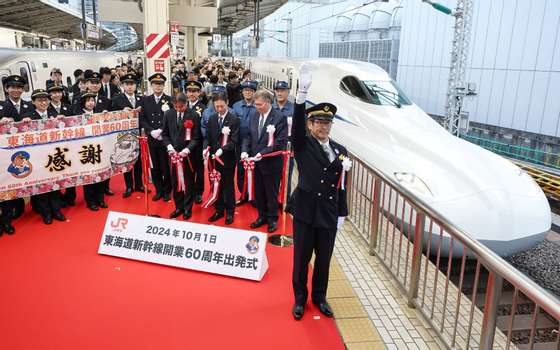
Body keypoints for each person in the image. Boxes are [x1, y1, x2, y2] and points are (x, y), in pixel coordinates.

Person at [287, 65, 349, 320]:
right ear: (310, 124)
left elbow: (342, 184)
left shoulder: (341, 149)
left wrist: (342, 212)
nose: (324, 127)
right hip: (304, 212)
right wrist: (301, 95)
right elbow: (296, 131)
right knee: (301, 260)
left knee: (324, 260)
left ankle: (320, 297)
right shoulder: (303, 144)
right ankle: (300, 299)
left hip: (328, 213)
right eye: (319, 122)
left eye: (327, 122)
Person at [241, 89, 287, 233]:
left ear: (268, 103)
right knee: (258, 191)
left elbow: (279, 143)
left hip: (271, 163)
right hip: (256, 163)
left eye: (259, 104)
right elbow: (248, 136)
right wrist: (244, 151)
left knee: (271, 192)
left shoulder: (279, 118)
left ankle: (273, 218)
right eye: (255, 104)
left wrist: (262, 153)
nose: (256, 107)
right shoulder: (255, 115)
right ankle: (262, 216)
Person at [23, 89, 67, 224]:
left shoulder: (55, 114)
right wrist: (23, 124)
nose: (43, 102)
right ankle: (46, 213)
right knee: (41, 187)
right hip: (37, 158)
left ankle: (56, 210)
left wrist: (62, 121)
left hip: (53, 156)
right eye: (39, 100)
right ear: (33, 102)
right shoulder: (27, 116)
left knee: (55, 184)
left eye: (45, 99)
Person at [161, 93, 201, 220]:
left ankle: (188, 208)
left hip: (188, 156)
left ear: (186, 104)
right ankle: (178, 207)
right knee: (175, 181)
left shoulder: (193, 115)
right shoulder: (168, 114)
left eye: (181, 107)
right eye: (176, 107)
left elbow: (196, 137)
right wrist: (169, 147)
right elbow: (165, 134)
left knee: (188, 182)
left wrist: (187, 150)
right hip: (173, 155)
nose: (178, 109)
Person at [0, 74, 33, 226]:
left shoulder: (29, 105)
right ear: (7, 89)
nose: (16, 90)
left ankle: (20, 208)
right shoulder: (1, 106)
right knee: (9, 183)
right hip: (8, 155)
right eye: (12, 87)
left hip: (28, 152)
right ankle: (6, 221)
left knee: (27, 180)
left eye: (19, 87)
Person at [205, 93, 239, 225]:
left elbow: (234, 141)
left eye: (222, 106)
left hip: (227, 159)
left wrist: (222, 150)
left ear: (227, 103)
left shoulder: (234, 119)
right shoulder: (212, 118)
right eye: (216, 106)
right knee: (216, 184)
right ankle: (219, 209)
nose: (219, 109)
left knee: (228, 185)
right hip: (214, 159)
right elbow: (208, 137)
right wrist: (205, 148)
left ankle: (230, 211)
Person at [140, 73, 173, 202]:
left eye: (160, 84)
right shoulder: (145, 100)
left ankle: (167, 190)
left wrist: (161, 131)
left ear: (164, 85)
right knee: (155, 167)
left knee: (166, 166)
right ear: (151, 85)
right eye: (155, 84)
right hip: (152, 138)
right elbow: (142, 119)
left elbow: (172, 120)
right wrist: (151, 131)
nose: (158, 86)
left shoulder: (170, 100)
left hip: (164, 139)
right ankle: (159, 190)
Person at [111, 73, 144, 197]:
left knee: (139, 161)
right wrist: (121, 113)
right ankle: (129, 186)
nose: (130, 87)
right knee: (127, 160)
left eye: (132, 84)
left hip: (139, 135)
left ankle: (139, 184)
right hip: (124, 136)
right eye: (127, 84)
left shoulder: (141, 99)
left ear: (136, 86)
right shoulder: (117, 99)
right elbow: (112, 116)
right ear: (123, 85)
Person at [80, 92, 109, 211]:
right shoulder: (77, 116)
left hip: (99, 149)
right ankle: (90, 201)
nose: (91, 103)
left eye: (92, 100)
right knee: (89, 178)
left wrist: (106, 117)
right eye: (88, 101)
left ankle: (100, 199)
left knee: (100, 176)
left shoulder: (99, 114)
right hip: (85, 150)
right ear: (83, 103)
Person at [232, 80, 257, 206]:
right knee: (241, 170)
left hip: (255, 144)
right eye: (246, 90)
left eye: (251, 90)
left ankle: (254, 196)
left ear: (254, 92)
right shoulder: (236, 106)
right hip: (239, 144)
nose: (248, 92)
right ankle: (243, 195)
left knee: (254, 170)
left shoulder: (258, 106)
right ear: (242, 92)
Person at [272, 81, 296, 197]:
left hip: (287, 149)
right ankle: (273, 200)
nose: (280, 93)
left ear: (288, 92)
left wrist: (295, 148)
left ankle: (285, 203)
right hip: (272, 149)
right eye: (277, 90)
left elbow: (300, 130)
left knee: (286, 176)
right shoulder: (271, 107)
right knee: (273, 177)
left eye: (283, 91)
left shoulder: (294, 109)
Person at [185, 80, 206, 204]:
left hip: (198, 144)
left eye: (195, 91)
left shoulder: (204, 108)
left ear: (199, 93)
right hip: (185, 145)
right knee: (187, 169)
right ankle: (189, 190)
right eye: (189, 91)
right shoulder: (182, 106)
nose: (192, 94)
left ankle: (198, 192)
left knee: (199, 170)